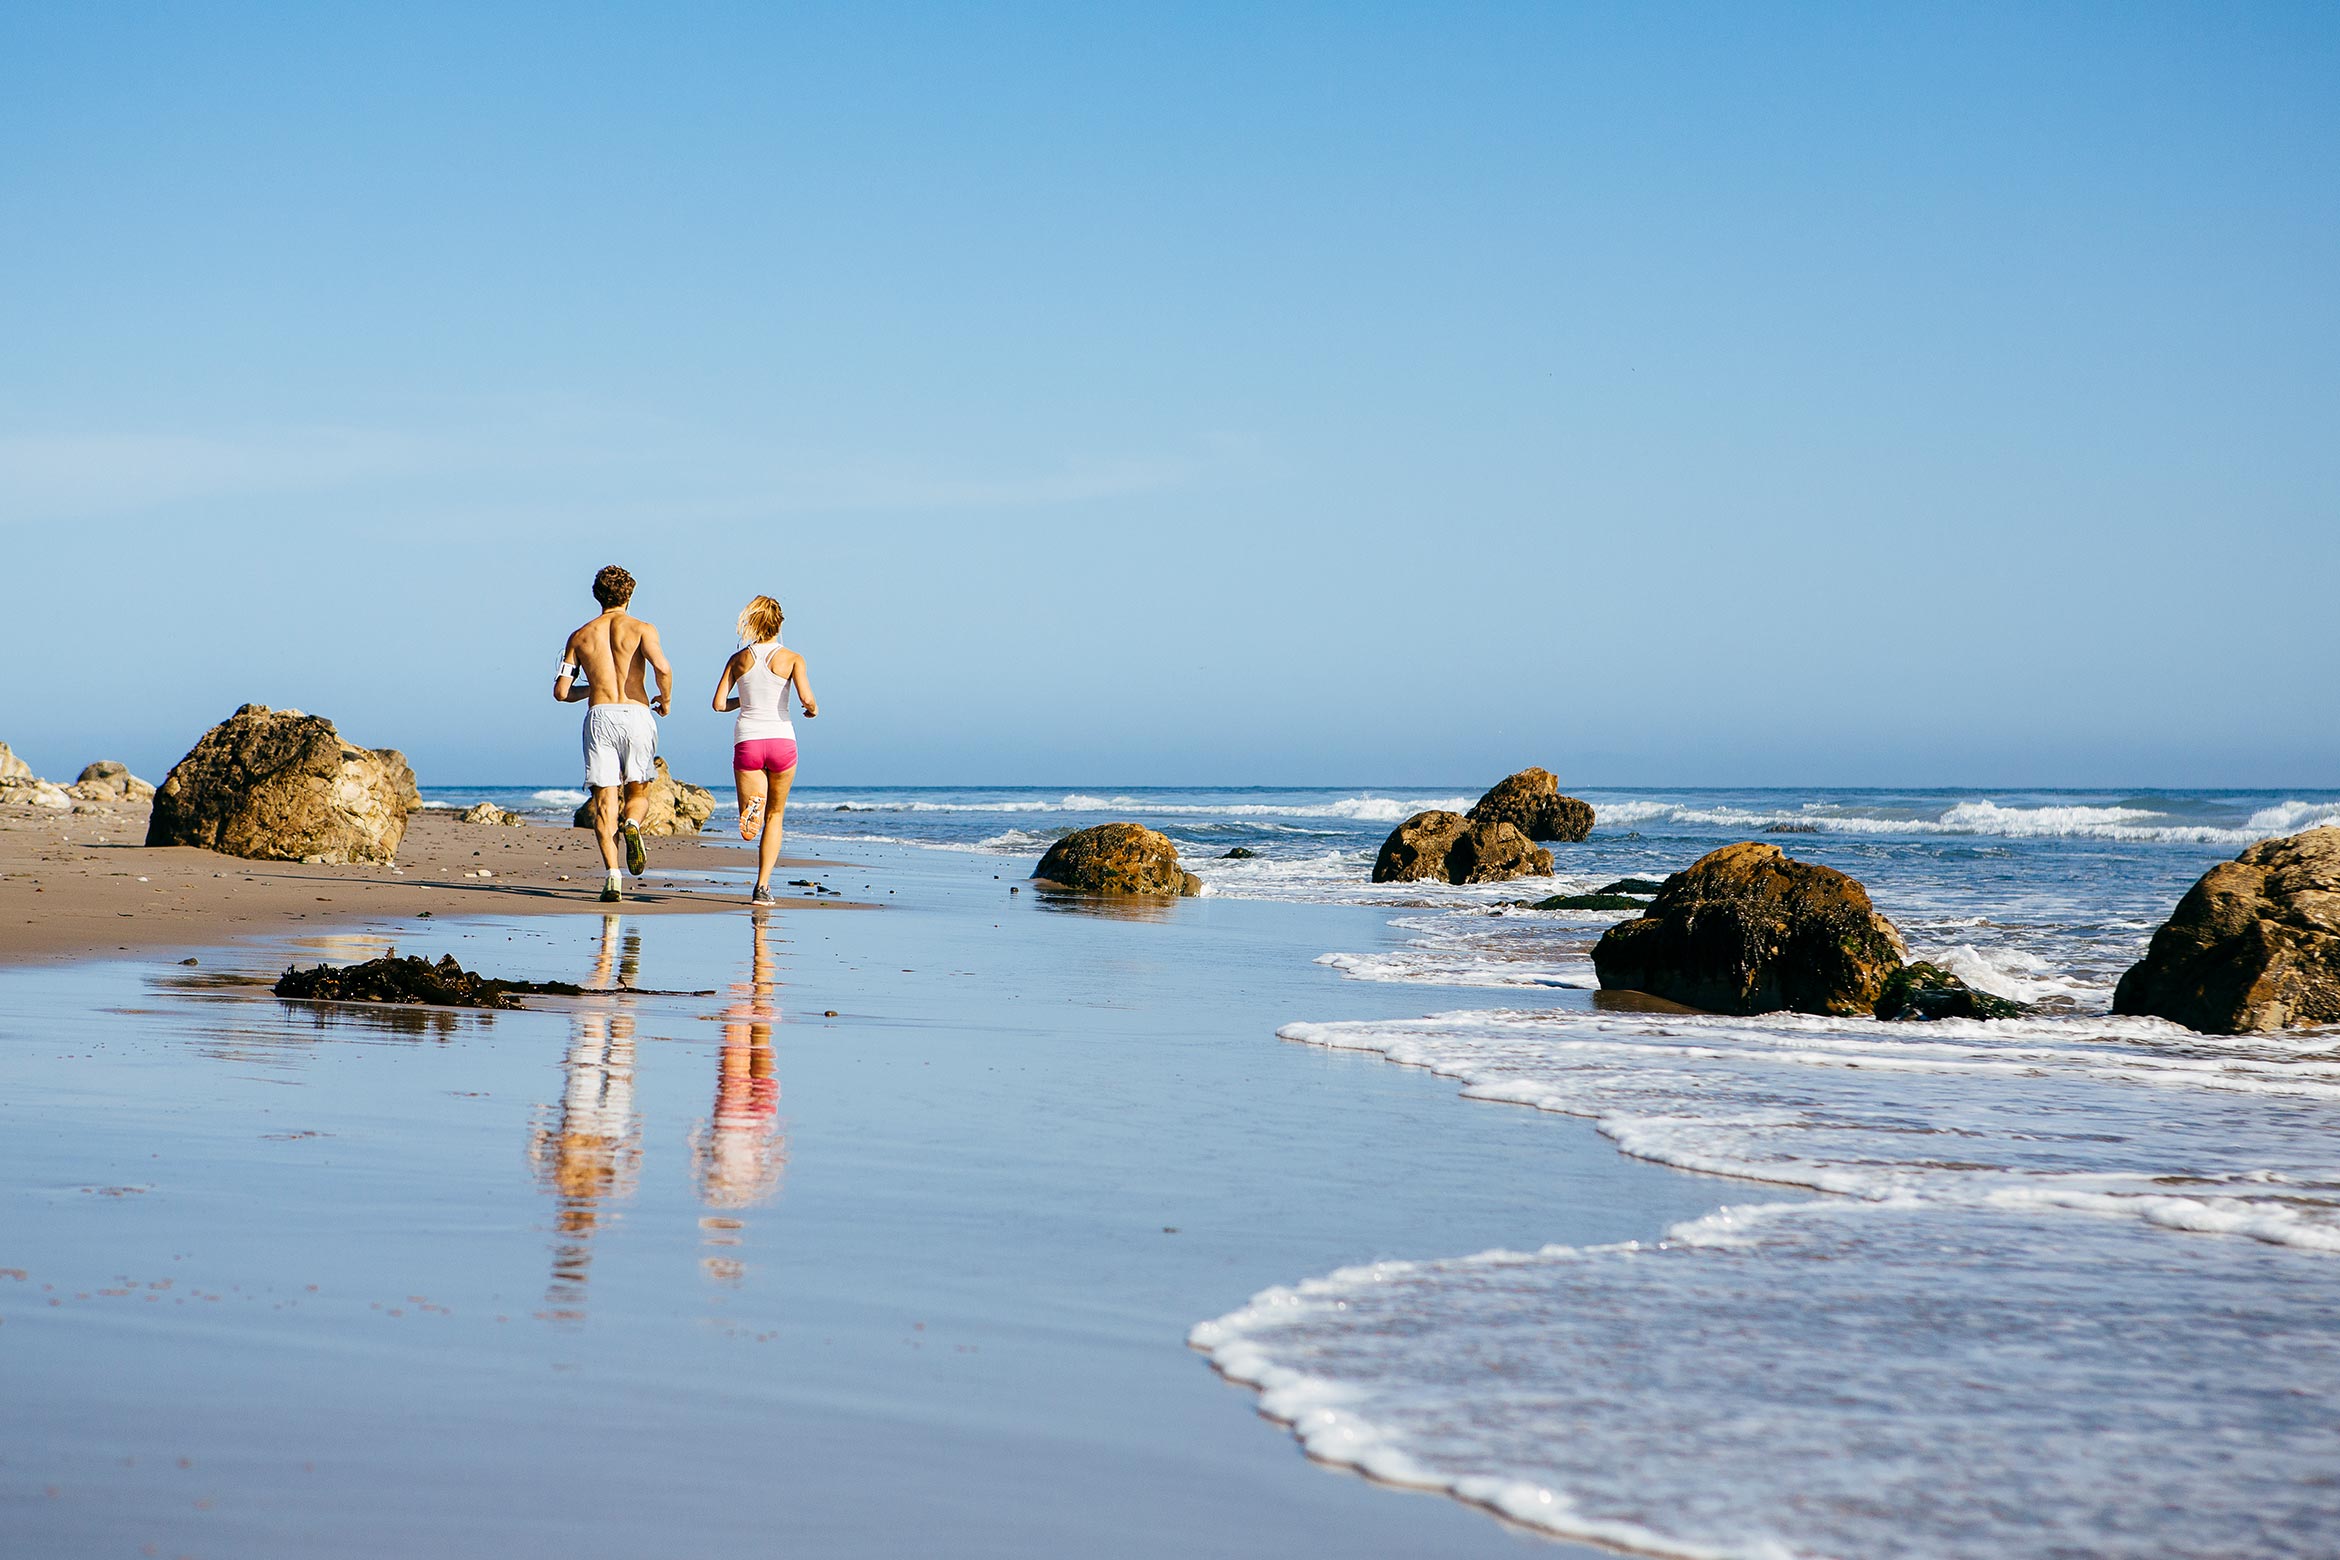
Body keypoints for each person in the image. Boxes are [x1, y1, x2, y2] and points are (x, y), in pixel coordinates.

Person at [554, 564, 673, 903]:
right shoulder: (643, 629)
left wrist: (592, 688)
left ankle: (613, 875)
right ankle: (633, 824)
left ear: (597, 596)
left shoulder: (579, 636)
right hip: (636, 713)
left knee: (604, 801)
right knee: (638, 791)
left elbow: (562, 691)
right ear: (630, 594)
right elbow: (663, 668)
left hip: (599, 716)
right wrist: (664, 700)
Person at [711, 594, 818, 906]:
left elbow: (718, 704)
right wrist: (811, 710)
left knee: (757, 807)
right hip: (781, 740)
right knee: (775, 815)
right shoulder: (793, 658)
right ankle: (762, 887)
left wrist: (744, 701)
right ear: (779, 624)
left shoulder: (738, 659)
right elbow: (807, 699)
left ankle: (750, 806)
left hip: (748, 741)